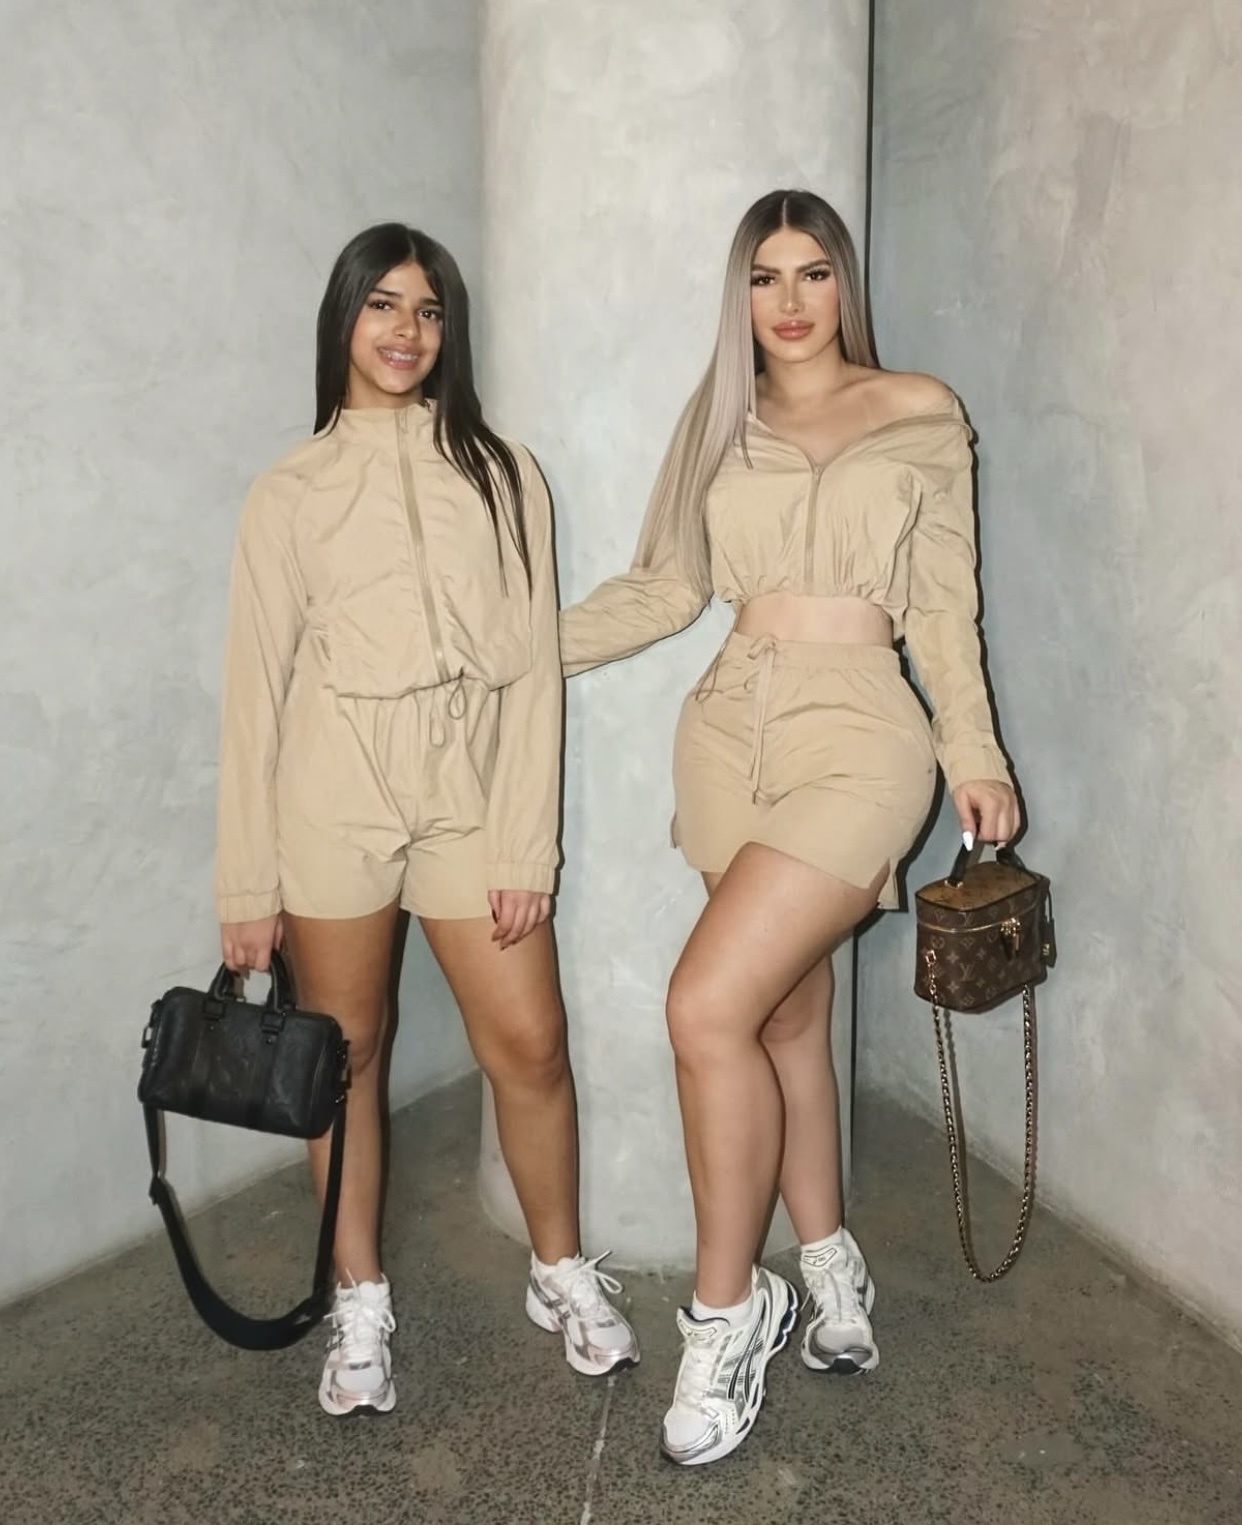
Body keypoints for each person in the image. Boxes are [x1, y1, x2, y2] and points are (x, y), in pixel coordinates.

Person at [559, 189, 1020, 1466]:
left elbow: (945, 607)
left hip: (862, 733)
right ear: (741, 295)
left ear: (842, 283)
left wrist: (975, 754)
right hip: (729, 732)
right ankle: (829, 1267)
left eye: (813, 272)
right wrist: (516, 648)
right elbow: (665, 589)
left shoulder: (920, 410)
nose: (791, 300)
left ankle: (727, 1313)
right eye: (765, 277)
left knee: (703, 1006)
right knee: (782, 1018)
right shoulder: (720, 420)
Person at [213, 223, 638, 1417]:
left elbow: (534, 673)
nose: (407, 331)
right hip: (331, 797)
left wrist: (524, 841)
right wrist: (246, 880)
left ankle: (558, 1268)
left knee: (531, 1044)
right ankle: (358, 1296)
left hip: (468, 789)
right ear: (343, 318)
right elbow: (254, 690)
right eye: (384, 304)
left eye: (430, 310)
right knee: (341, 1057)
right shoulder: (288, 490)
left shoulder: (503, 471)